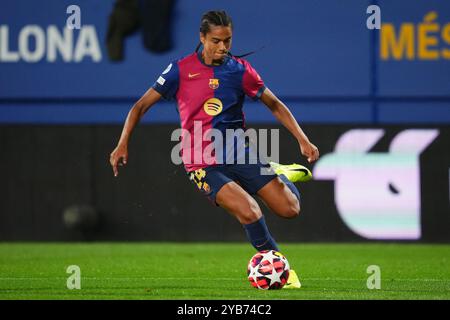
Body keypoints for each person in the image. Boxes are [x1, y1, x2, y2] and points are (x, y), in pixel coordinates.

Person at [110, 10, 319, 289]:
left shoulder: (240, 71)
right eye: (216, 41)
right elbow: (140, 106)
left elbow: (275, 104)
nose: (222, 47)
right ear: (202, 37)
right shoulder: (179, 70)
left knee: (290, 209)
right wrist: (122, 142)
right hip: (201, 161)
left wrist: (302, 139)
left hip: (239, 153)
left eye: (228, 41)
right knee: (249, 210)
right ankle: (281, 267)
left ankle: (280, 174)